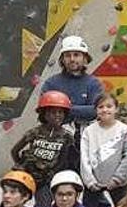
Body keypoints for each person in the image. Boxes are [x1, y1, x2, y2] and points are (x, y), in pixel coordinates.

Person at [41, 35, 104, 169]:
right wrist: (81, 110)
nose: (72, 59)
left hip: (87, 142)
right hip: (55, 142)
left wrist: (64, 108)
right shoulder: (51, 83)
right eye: (68, 55)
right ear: (62, 60)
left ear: (85, 58)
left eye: (76, 55)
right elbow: (45, 114)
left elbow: (95, 111)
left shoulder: (93, 83)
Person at [11, 91, 75, 207]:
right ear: (44, 114)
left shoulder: (67, 137)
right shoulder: (34, 132)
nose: (57, 115)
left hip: (46, 180)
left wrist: (52, 174)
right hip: (27, 174)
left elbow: (63, 160)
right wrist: (20, 166)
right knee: (11, 202)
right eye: (52, 112)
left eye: (60, 112)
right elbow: (15, 150)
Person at [80, 93, 127, 207]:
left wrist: (116, 179)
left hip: (118, 184)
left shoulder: (125, 130)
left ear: (116, 109)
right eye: (101, 107)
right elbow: (84, 157)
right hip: (93, 184)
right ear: (96, 110)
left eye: (109, 106)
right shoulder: (89, 131)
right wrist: (90, 181)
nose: (105, 109)